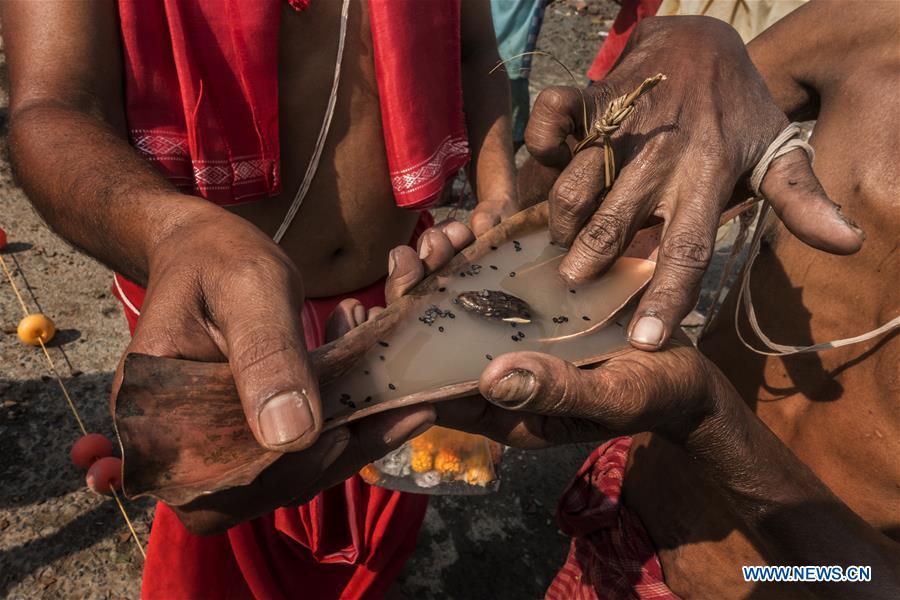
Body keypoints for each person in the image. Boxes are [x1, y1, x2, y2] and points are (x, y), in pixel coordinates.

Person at [0, 0, 519, 597]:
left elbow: (474, 49)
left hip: (399, 283)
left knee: (387, 497)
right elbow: (53, 108)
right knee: (231, 538)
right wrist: (174, 233)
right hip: (216, 308)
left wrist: (499, 197)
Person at [419, 3, 899, 598]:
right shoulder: (871, 27)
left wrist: (702, 420)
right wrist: (692, 49)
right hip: (632, 516)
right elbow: (650, 140)